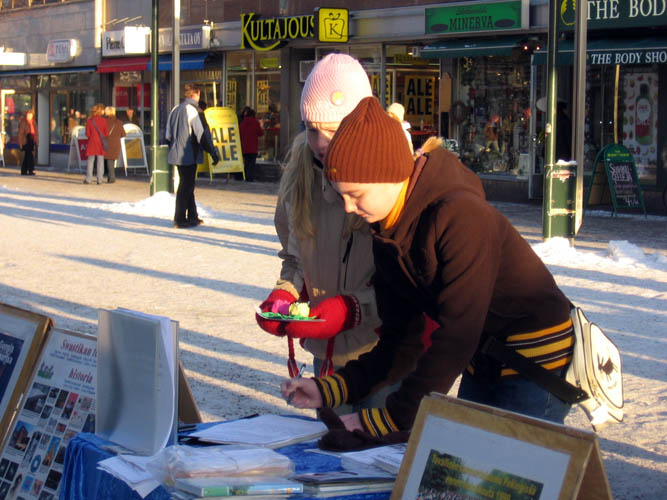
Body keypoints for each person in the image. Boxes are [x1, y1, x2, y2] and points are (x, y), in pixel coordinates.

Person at [282, 96, 576, 446]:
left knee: (503, 464)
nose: (348, 207)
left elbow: (457, 334)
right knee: (466, 460)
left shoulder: (460, 216)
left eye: (356, 194)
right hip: (485, 357)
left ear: (389, 175)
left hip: (535, 363)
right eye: (341, 195)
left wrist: (389, 418)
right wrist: (330, 389)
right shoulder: (386, 230)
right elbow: (400, 340)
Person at [255, 54, 393, 415]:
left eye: (333, 129)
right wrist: (284, 296)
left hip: (384, 354)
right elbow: (295, 260)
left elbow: (406, 283)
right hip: (326, 356)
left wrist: (354, 309)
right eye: (312, 129)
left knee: (382, 445)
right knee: (334, 444)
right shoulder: (298, 180)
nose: (320, 141)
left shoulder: (385, 182)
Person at [166, 83, 220, 229]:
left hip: (176, 153)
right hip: (189, 153)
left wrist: (174, 148)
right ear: (197, 94)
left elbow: (168, 135)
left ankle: (192, 216)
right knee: (186, 186)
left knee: (187, 184)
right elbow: (202, 134)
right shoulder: (193, 110)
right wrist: (213, 152)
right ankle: (180, 218)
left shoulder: (175, 109)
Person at [84, 104, 108, 184]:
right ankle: (100, 179)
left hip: (92, 143)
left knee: (90, 161)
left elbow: (87, 134)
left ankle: (88, 179)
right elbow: (106, 134)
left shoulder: (89, 120)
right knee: (100, 161)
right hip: (100, 143)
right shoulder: (104, 120)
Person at [239, 107, 264, 181]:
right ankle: (250, 177)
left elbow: (240, 134)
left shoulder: (242, 123)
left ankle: (246, 176)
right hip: (253, 147)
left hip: (245, 147)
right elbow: (260, 133)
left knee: (246, 162)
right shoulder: (255, 122)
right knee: (252, 163)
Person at [104, 106, 126, 183]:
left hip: (107, 143)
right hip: (116, 144)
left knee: (109, 160)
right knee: (111, 160)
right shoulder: (119, 122)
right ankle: (110, 177)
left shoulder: (105, 121)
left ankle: (111, 177)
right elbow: (123, 134)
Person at [18, 109, 38, 175]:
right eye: (28, 114)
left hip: (32, 140)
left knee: (27, 156)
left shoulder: (33, 122)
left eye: (31, 115)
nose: (29, 116)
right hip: (26, 141)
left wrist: (37, 141)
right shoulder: (23, 122)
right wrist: (20, 144)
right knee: (29, 156)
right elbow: (20, 134)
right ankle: (30, 170)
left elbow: (36, 133)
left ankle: (24, 170)